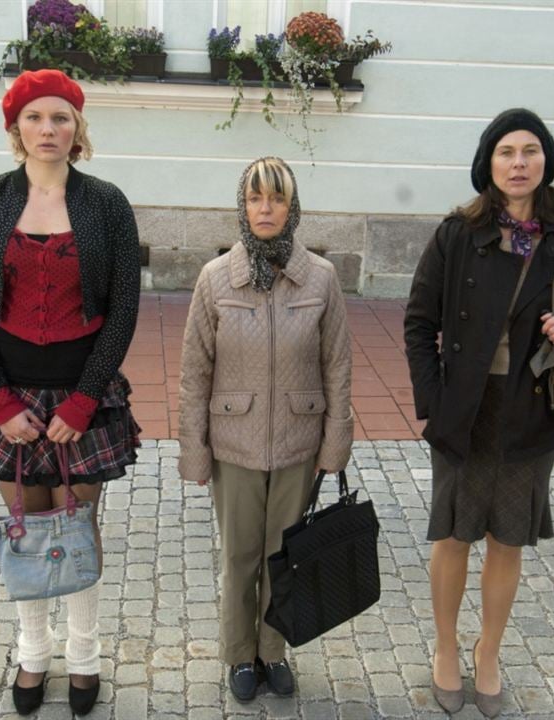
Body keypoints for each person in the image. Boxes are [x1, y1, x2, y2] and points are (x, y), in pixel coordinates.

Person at [404, 108, 554, 717]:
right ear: (488, 163)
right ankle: (445, 648)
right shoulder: (457, 232)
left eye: (530, 151)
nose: (519, 162)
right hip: (465, 409)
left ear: (545, 159)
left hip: (530, 408)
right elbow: (419, 325)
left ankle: (488, 651)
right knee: (452, 535)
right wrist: (433, 401)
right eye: (506, 152)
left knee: (507, 539)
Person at [0, 69, 141, 717]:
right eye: (34, 118)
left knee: (78, 524)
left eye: (60, 118)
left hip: (81, 397)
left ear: (77, 128)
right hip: (8, 395)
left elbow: (122, 310)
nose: (47, 130)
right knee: (26, 528)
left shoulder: (106, 204)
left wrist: (84, 401)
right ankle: (33, 654)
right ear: (15, 129)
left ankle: (83, 655)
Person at [178, 157, 354, 703]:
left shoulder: (320, 278)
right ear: (242, 205)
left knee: (285, 557)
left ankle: (272, 651)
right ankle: (238, 656)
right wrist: (195, 450)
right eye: (256, 198)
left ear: (292, 207)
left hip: (299, 443)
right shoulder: (216, 279)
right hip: (235, 444)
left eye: (276, 198)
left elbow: (338, 365)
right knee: (239, 558)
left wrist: (335, 441)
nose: (266, 208)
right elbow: (194, 372)